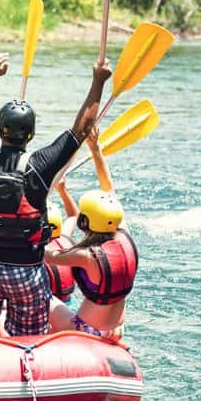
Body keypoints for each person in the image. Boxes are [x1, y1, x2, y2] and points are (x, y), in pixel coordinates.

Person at [0, 52, 112, 336]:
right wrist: (98, 82)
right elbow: (81, 129)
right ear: (30, 135)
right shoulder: (41, 165)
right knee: (29, 335)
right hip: (26, 270)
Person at [45, 128, 138, 338]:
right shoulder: (123, 234)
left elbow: (46, 255)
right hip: (117, 330)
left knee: (44, 295)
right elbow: (109, 190)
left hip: (87, 330)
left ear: (85, 221)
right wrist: (96, 149)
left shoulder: (86, 256)